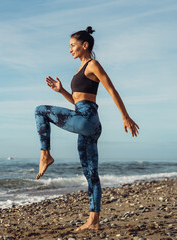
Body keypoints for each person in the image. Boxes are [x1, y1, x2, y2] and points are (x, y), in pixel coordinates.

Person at [34, 26, 139, 231]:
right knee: (91, 173)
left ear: (85, 45)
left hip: (87, 118)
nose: (70, 49)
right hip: (87, 121)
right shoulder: (79, 70)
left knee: (40, 111)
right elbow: (76, 101)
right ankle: (94, 221)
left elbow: (111, 89)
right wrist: (61, 90)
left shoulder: (93, 64)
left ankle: (45, 155)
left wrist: (125, 116)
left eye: (73, 45)